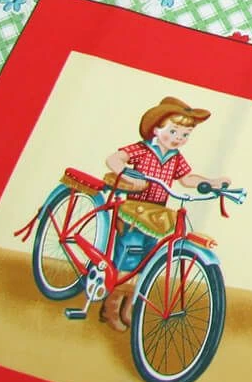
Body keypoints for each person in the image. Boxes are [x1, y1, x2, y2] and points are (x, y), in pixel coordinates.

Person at [98, 97, 231, 332]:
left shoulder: (175, 157)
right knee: (129, 259)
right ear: (156, 129)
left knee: (146, 262)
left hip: (156, 217)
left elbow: (186, 179)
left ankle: (128, 308)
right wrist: (127, 174)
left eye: (185, 134)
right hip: (133, 213)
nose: (178, 138)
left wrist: (211, 182)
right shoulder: (141, 150)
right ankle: (111, 307)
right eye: (173, 131)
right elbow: (114, 158)